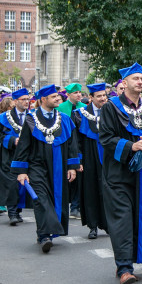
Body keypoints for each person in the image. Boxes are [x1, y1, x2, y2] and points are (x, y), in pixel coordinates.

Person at [99, 63, 142, 284]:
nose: (140, 82)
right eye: (135, 78)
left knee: (141, 217)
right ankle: (124, 268)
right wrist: (130, 146)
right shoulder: (111, 107)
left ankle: (141, 256)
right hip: (118, 174)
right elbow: (106, 139)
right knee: (122, 219)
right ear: (124, 83)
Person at [11, 84, 80, 253]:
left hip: (58, 166)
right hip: (37, 166)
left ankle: (44, 232)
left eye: (58, 96)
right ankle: (44, 236)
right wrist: (21, 171)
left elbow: (72, 144)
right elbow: (24, 146)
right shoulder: (30, 119)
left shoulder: (64, 119)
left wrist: (72, 166)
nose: (58, 98)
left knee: (55, 199)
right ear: (43, 99)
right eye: (54, 97)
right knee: (41, 199)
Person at [73, 83, 108, 240]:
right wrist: (78, 160)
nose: (102, 98)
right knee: (90, 190)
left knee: (107, 190)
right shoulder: (80, 114)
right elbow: (76, 140)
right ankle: (92, 226)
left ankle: (108, 224)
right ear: (91, 98)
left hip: (108, 156)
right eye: (99, 96)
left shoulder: (111, 112)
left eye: (104, 95)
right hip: (89, 156)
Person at [0, 88, 31, 225]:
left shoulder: (32, 116)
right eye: (23, 100)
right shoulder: (5, 117)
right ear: (15, 101)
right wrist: (11, 140)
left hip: (27, 155)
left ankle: (19, 209)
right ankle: (12, 212)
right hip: (10, 154)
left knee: (23, 183)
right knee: (11, 183)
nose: (27, 102)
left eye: (28, 99)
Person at [57, 82, 86, 220]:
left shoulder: (84, 108)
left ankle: (76, 206)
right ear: (68, 95)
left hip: (80, 147)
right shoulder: (61, 108)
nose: (79, 95)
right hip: (64, 146)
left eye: (80, 92)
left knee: (78, 178)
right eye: (75, 93)